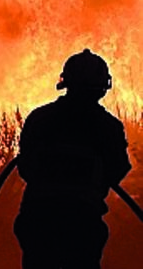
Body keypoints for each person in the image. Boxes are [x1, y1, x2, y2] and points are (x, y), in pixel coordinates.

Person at [14, 48, 132, 269]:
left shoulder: (40, 119)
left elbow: (26, 167)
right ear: (102, 86)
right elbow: (118, 169)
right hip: (82, 224)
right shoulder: (107, 127)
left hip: (38, 221)